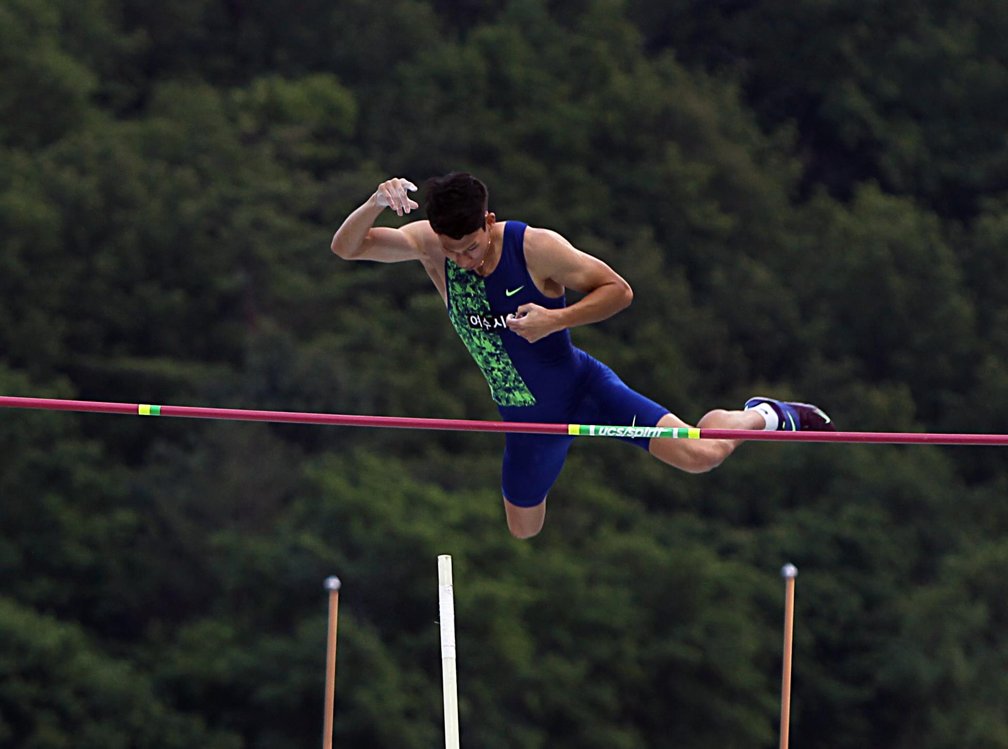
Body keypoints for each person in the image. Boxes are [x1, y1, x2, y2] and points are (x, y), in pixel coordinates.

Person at [331, 173, 834, 539]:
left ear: (488, 221)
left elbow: (618, 290)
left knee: (699, 456)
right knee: (524, 529)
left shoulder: (536, 248)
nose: (463, 259)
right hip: (528, 423)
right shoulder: (430, 247)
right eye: (452, 249)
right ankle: (557, 464)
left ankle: (762, 416)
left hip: (583, 390)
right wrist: (375, 200)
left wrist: (553, 320)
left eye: (472, 247)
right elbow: (348, 248)